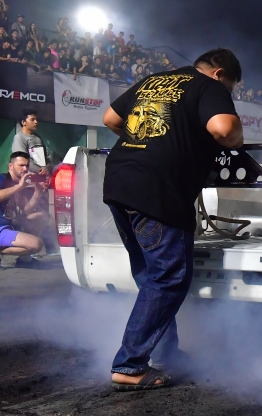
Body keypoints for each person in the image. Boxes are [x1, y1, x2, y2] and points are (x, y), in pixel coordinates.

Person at [101, 48, 243, 390]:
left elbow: (110, 119)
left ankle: (166, 355)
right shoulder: (209, 86)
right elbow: (223, 129)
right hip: (157, 189)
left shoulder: (155, 80)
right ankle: (130, 365)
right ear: (221, 74)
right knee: (169, 279)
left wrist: (151, 144)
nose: (230, 94)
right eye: (232, 88)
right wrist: (236, 137)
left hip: (119, 181)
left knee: (152, 276)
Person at [0, 152, 50, 271]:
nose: (25, 169)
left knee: (42, 216)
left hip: (8, 226)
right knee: (37, 245)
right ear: (11, 166)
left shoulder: (18, 183)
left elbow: (25, 211)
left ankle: (24, 260)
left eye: (27, 165)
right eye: (21, 165)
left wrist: (38, 193)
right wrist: (20, 187)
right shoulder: (1, 179)